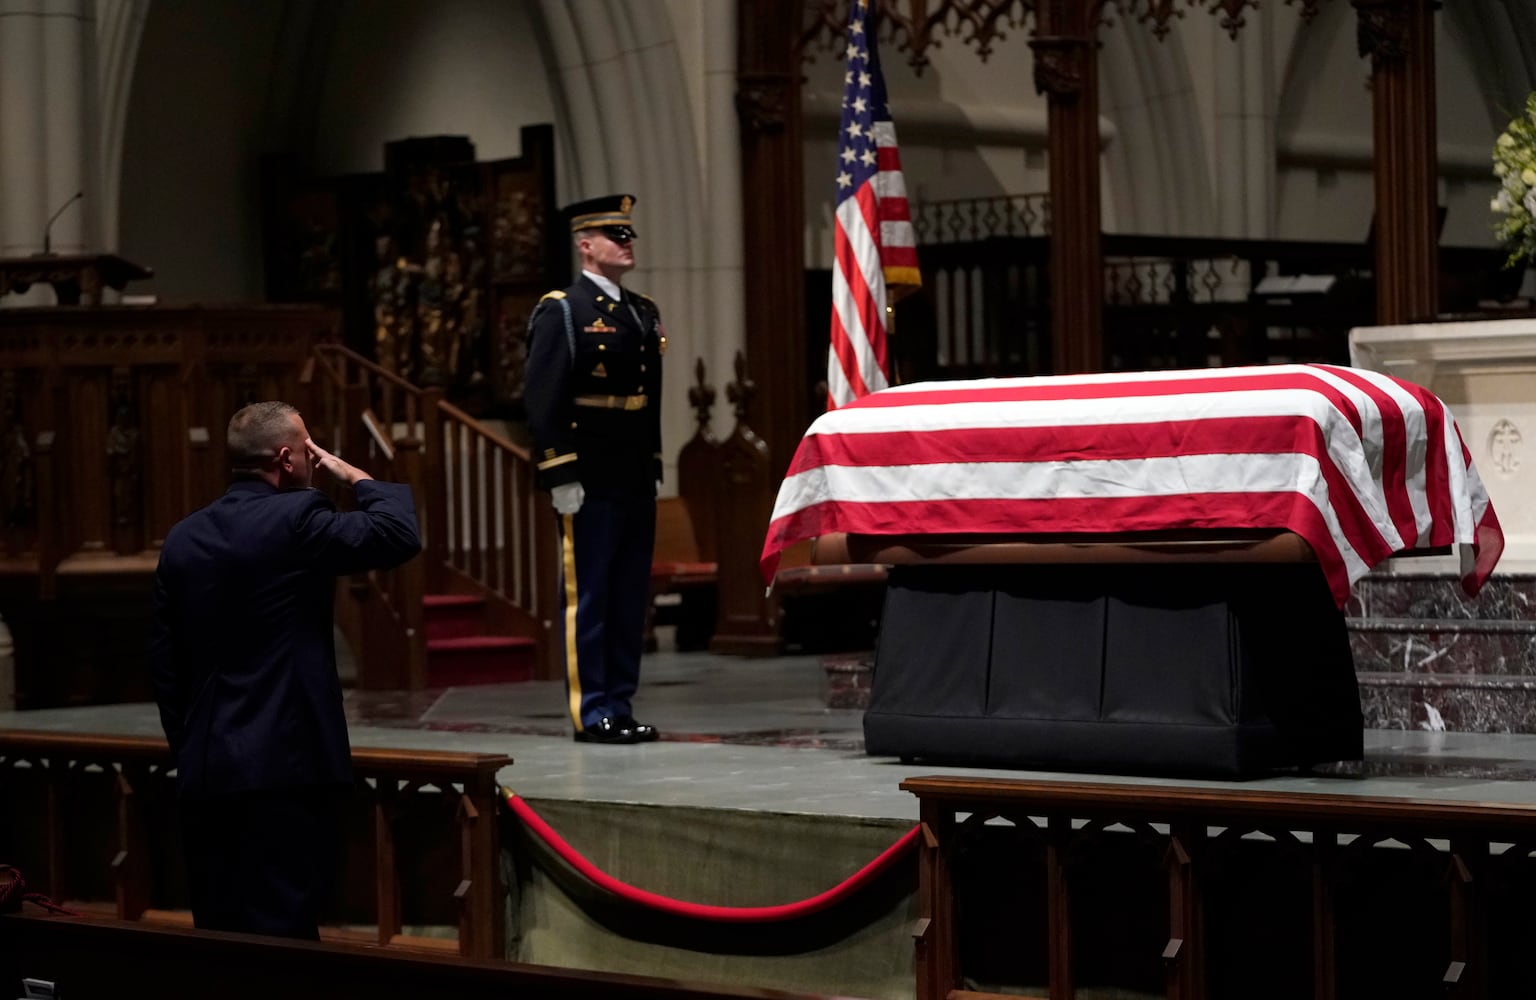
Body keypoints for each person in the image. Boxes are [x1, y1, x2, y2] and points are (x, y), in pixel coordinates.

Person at [148, 401, 421, 939]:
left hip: (208, 768)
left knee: (220, 931)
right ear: (285, 457)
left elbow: (166, 664)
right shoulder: (299, 518)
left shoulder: (182, 537)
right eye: (308, 449)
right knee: (286, 933)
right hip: (285, 766)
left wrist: (190, 747)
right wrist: (355, 475)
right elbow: (398, 534)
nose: (313, 460)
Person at [524, 194, 665, 745]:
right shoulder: (563, 309)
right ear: (586, 244)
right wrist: (559, 473)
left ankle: (622, 703)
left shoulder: (641, 310)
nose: (627, 244)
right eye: (615, 235)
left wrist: (653, 461)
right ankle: (593, 710)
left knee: (629, 594)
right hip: (588, 474)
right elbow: (543, 399)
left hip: (632, 472)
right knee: (592, 595)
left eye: (628, 235)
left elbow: (648, 398)